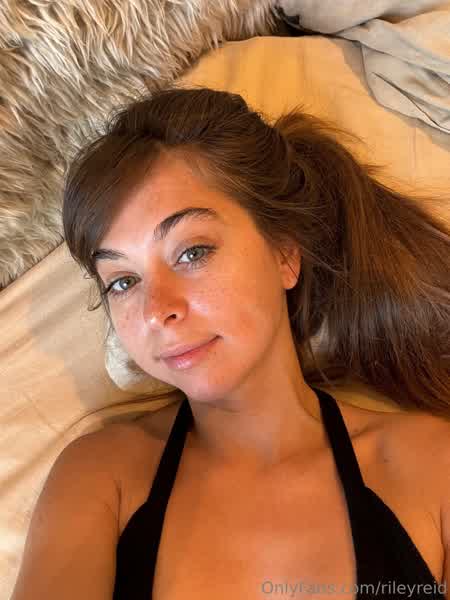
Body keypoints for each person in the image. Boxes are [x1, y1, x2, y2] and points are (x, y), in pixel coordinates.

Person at [11, 84, 450, 599]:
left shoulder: (432, 465)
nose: (156, 310)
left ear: (284, 253)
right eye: (123, 282)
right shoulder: (101, 479)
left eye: (192, 252)